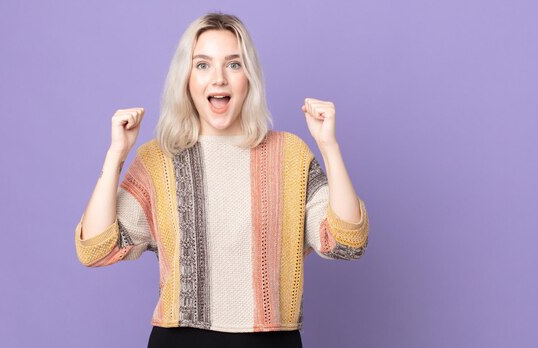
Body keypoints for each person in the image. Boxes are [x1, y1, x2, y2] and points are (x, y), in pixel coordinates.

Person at [74, 12, 369, 348]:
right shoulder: (158, 159)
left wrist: (329, 147)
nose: (218, 79)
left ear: (250, 77)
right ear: (185, 78)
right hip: (179, 341)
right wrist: (116, 155)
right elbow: (96, 249)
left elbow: (348, 244)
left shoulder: (291, 155)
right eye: (202, 65)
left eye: (233, 64)